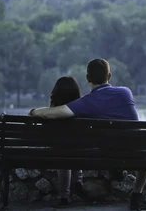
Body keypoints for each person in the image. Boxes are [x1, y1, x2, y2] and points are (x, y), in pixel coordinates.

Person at [30, 59, 146, 210]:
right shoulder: (126, 93)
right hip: (132, 153)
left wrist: (34, 111)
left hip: (105, 155)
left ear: (88, 78)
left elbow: (52, 114)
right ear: (109, 76)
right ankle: (136, 194)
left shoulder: (86, 102)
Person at [48, 76, 85, 207]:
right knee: (73, 150)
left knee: (62, 154)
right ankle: (78, 181)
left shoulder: (51, 113)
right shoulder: (81, 110)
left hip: (60, 153)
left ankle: (64, 196)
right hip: (81, 153)